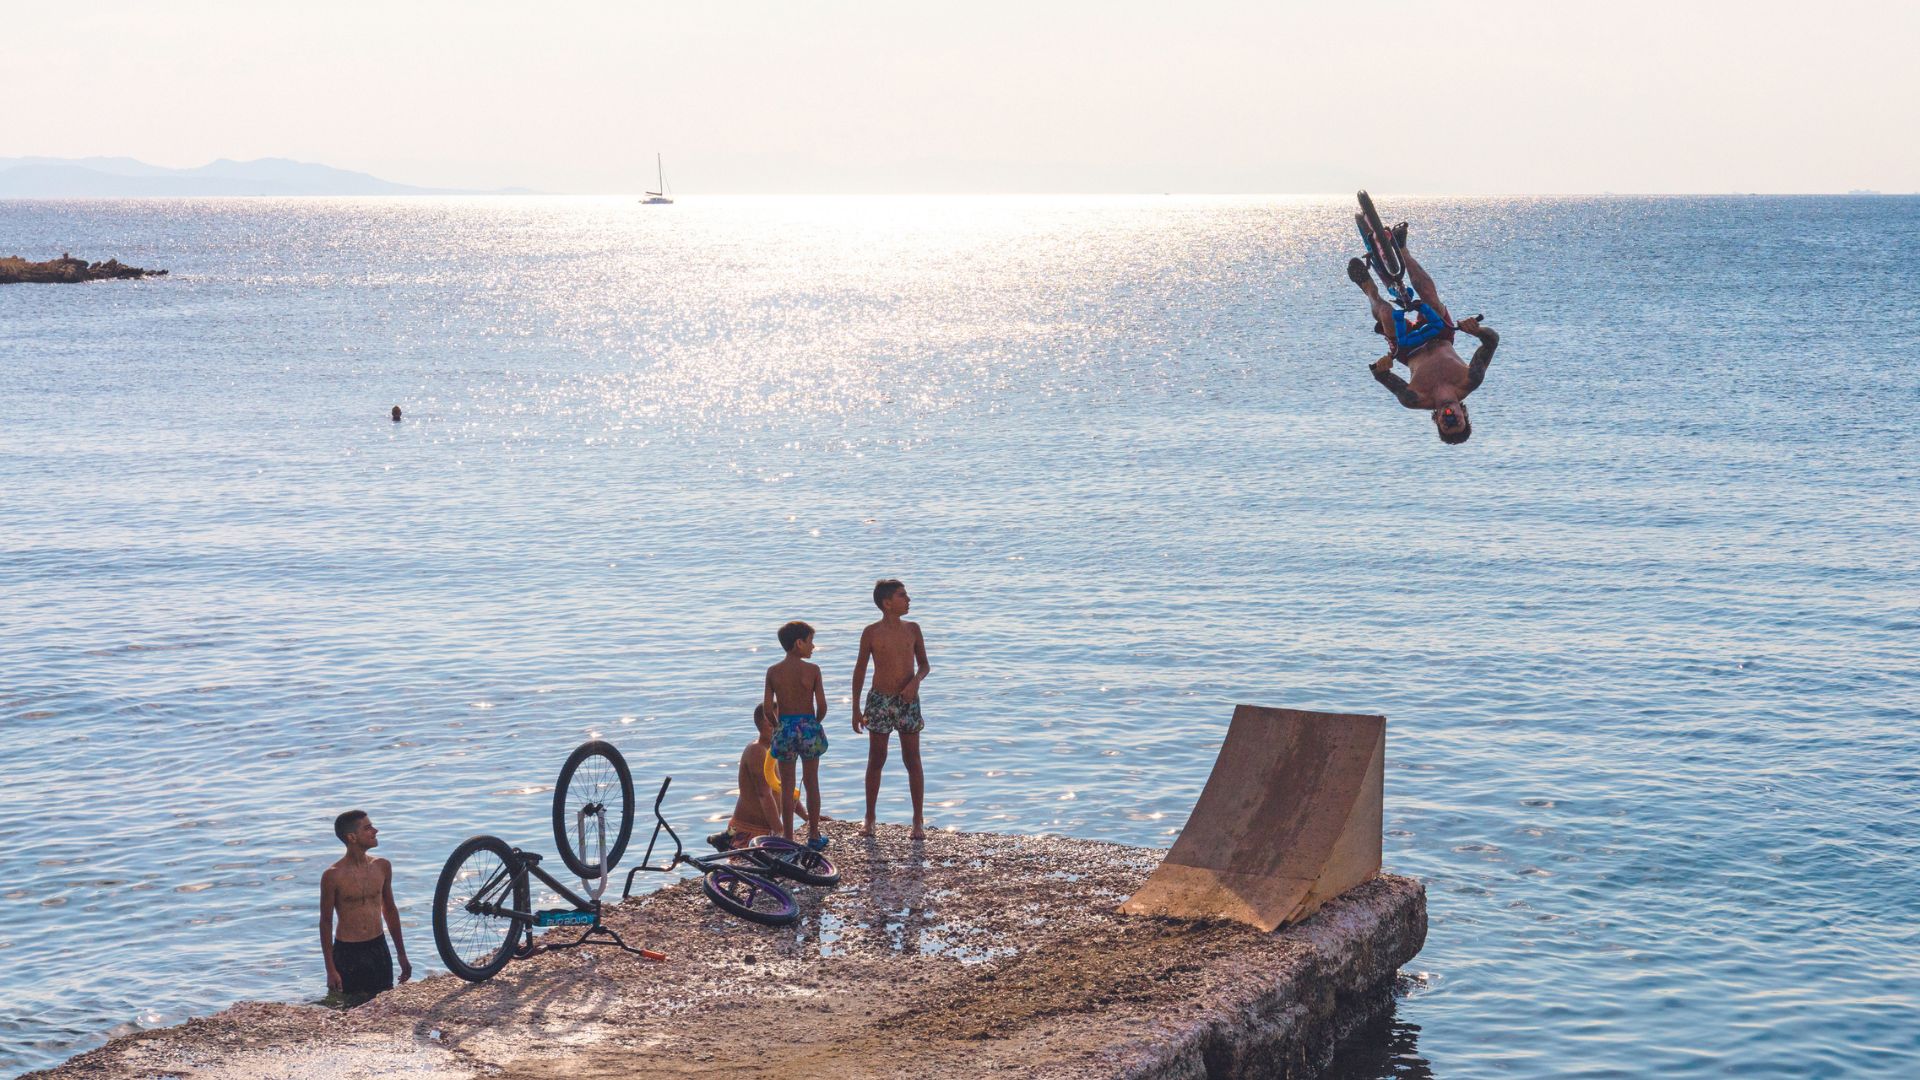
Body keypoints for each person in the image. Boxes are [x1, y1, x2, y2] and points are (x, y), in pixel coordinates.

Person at [1346, 225, 1499, 444]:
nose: (1450, 417)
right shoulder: (1470, 380)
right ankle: (1402, 249)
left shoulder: (1413, 399)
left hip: (1407, 348)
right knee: (1430, 298)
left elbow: (1381, 376)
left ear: (1437, 421)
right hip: (1441, 334)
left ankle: (1367, 287)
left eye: (1446, 424)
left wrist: (1381, 367)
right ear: (1464, 414)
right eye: (1456, 421)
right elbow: (1492, 341)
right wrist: (1477, 330)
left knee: (1387, 314)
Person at [851, 578, 931, 840]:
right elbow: (860, 669)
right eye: (902, 595)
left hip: (907, 701)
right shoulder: (871, 632)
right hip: (879, 700)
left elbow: (924, 666)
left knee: (912, 759)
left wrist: (915, 682)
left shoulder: (913, 629)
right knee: (876, 759)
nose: (908, 600)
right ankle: (870, 818)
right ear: (887, 603)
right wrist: (855, 708)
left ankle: (917, 820)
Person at [319, 811, 410, 1005]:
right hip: (348, 952)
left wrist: (402, 954)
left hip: (378, 947)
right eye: (368, 828)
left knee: (384, 1005)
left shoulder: (382, 866)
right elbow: (325, 922)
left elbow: (390, 910)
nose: (375, 831)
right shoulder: (332, 875)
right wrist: (330, 969)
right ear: (351, 837)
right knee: (347, 1008)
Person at [763, 621, 829, 850]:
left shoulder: (773, 671)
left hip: (785, 727)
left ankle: (789, 837)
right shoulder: (813, 670)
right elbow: (822, 705)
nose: (813, 646)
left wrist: (777, 725)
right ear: (799, 643)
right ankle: (813, 834)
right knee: (811, 782)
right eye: (811, 641)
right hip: (808, 725)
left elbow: (767, 708)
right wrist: (814, 722)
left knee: (787, 784)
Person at [708, 705, 786, 851]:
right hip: (748, 828)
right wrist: (780, 831)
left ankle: (724, 837)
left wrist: (806, 816)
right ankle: (727, 838)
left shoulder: (775, 751)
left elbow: (785, 790)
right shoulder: (757, 750)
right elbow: (764, 794)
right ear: (768, 724)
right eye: (780, 721)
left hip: (766, 828)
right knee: (744, 864)